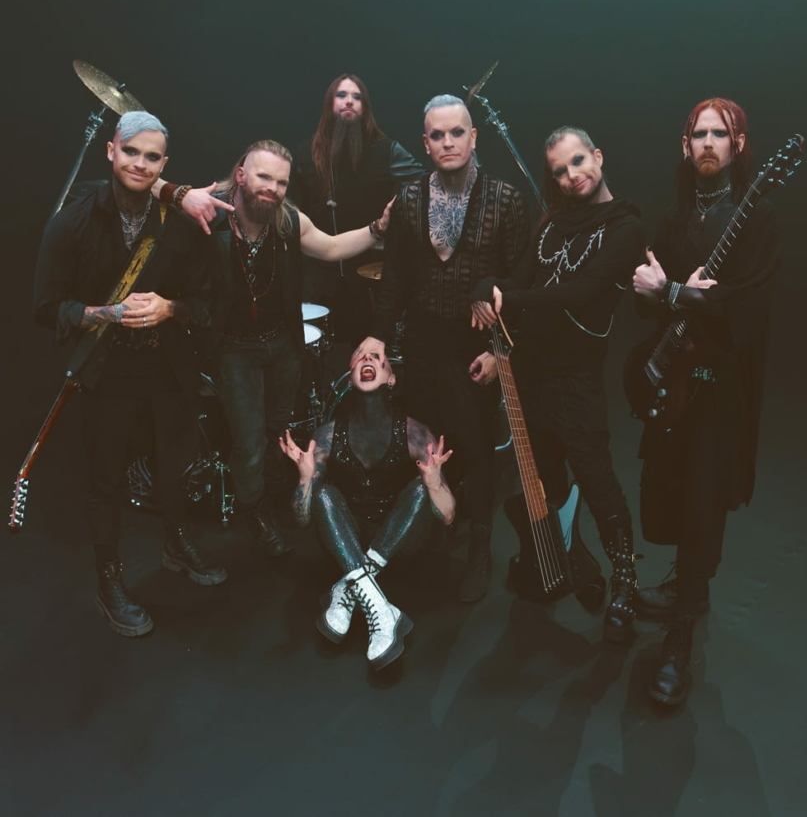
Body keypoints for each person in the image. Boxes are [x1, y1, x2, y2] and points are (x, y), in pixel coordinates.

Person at [33, 111, 226, 637]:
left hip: (168, 368)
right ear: (111, 151)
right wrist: (105, 314)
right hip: (108, 373)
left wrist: (171, 308)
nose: (140, 163)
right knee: (107, 479)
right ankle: (109, 579)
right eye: (131, 151)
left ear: (164, 164)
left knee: (173, 465)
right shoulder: (72, 221)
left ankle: (176, 544)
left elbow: (209, 303)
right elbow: (46, 308)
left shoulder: (180, 224)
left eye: (152, 156)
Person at [471, 127, 646, 642]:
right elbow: (519, 278)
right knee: (545, 479)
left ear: (598, 156)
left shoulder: (627, 227)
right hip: (531, 374)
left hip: (576, 380)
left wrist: (507, 298)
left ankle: (626, 582)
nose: (572, 176)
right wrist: (487, 288)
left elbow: (580, 293)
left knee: (597, 481)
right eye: (560, 171)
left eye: (578, 162)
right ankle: (567, 556)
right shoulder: (552, 222)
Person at [631, 98, 778, 705]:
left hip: (719, 391)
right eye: (700, 134)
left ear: (738, 145)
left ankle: (679, 642)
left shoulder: (756, 218)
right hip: (675, 385)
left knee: (702, 507)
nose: (709, 142)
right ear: (685, 145)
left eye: (721, 133)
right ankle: (686, 588)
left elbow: (744, 309)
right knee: (669, 497)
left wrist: (669, 292)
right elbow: (650, 299)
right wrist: (655, 291)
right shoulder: (674, 220)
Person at [354, 95, 529, 602]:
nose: (448, 142)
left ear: (474, 137)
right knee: (427, 441)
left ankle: (479, 546)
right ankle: (435, 529)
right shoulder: (410, 199)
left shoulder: (506, 199)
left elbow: (521, 280)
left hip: (475, 345)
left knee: (476, 445)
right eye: (437, 135)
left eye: (457, 133)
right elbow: (396, 278)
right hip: (423, 341)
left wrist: (501, 352)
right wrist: (378, 333)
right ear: (425, 143)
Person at [203, 140, 393, 558]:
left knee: (279, 431)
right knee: (248, 442)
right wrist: (177, 193)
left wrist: (378, 228)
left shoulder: (288, 220)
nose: (272, 189)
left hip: (282, 345)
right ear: (240, 175)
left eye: (281, 182)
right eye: (263, 177)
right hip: (235, 349)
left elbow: (332, 247)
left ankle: (273, 498)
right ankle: (253, 512)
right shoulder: (211, 216)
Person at [279, 349, 455, 670]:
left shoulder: (415, 433)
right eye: (360, 358)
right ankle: (381, 609)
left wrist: (433, 484)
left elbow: (447, 515)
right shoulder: (327, 435)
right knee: (323, 494)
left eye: (377, 358)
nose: (368, 361)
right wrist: (304, 480)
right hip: (349, 545)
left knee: (420, 489)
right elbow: (302, 518)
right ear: (350, 379)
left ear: (391, 378)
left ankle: (351, 587)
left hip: (399, 545)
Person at [291, 74, 427, 344]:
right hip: (317, 274)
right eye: (341, 95)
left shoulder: (386, 150)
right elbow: (292, 205)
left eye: (357, 97)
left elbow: (424, 184)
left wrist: (396, 215)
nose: (349, 101)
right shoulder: (306, 153)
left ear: (365, 107)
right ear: (329, 103)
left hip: (370, 271)